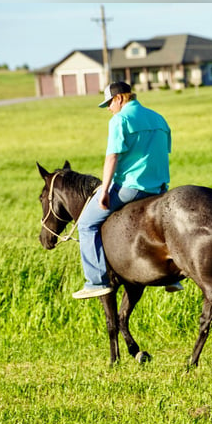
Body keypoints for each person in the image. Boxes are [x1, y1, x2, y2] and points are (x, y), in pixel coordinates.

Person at [73, 81, 182, 299]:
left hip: (132, 188)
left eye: (109, 104)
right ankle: (175, 278)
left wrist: (104, 190)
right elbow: (164, 152)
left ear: (119, 98)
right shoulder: (159, 118)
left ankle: (95, 282)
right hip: (160, 189)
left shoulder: (120, 120)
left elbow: (112, 156)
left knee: (86, 224)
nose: (109, 110)